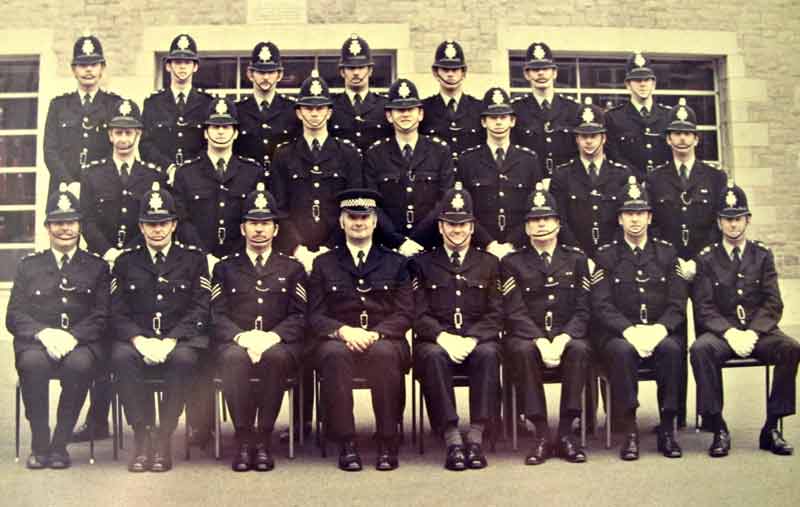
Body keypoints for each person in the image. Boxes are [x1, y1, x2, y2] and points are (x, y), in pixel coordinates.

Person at [74, 98, 166, 443]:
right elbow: (86, 219)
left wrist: (131, 254)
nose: (123, 138)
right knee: (102, 335)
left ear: (139, 134)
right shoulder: (92, 173)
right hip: (102, 265)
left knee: (135, 330)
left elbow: (155, 221)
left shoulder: (153, 175)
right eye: (118, 132)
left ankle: (150, 420)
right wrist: (107, 251)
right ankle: (97, 419)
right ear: (109, 135)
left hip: (139, 266)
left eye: (129, 132)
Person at [691, 183, 799, 457]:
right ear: (719, 222)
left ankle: (772, 427)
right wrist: (729, 333)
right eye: (727, 219)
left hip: (756, 333)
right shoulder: (706, 258)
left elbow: (773, 302)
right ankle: (718, 427)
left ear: (748, 220)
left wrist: (753, 332)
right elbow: (704, 306)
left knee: (790, 348)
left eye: (738, 218)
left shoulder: (762, 255)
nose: (733, 225)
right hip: (723, 335)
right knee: (700, 350)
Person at [307, 189, 413, 471]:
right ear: (341, 222)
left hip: (384, 338)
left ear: (375, 221)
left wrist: (375, 334)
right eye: (352, 217)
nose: (358, 223)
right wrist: (343, 332)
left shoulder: (396, 262)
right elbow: (315, 315)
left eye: (364, 217)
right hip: (340, 340)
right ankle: (346, 442)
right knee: (333, 355)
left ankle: (387, 440)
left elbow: (405, 313)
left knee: (383, 353)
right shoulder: (324, 263)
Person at [6, 184, 110, 469]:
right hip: (37, 342)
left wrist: (73, 337)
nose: (65, 229)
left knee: (79, 366)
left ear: (80, 226)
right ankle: (40, 442)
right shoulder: (29, 266)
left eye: (71, 222)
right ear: (47, 227)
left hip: (80, 344)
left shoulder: (97, 267)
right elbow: (14, 315)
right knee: (32, 364)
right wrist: (44, 333)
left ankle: (59, 444)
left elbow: (102, 316)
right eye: (58, 223)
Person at [110, 182, 211, 472]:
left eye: (163, 223)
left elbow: (201, 308)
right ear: (141, 227)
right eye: (151, 224)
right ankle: (142, 435)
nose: (157, 230)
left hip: (178, 340)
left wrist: (171, 340)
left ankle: (164, 436)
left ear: (174, 224)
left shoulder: (193, 259)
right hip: (138, 340)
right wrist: (139, 340)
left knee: (184, 359)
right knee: (121, 357)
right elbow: (116, 311)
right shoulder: (125, 262)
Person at [211, 183, 307, 471]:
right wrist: (242, 338)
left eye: (265, 223)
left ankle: (263, 439)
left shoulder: (292, 268)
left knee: (275, 358)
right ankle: (243, 439)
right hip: (238, 342)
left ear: (276, 229)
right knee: (232, 358)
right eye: (253, 223)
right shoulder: (225, 268)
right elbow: (216, 315)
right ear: (243, 228)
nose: (259, 229)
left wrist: (272, 338)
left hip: (278, 344)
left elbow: (300, 315)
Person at [591, 176, 688, 461]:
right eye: (629, 213)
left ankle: (667, 428)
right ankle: (629, 430)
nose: (635, 219)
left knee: (671, 349)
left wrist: (659, 330)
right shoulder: (605, 256)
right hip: (620, 335)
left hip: (657, 331)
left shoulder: (667, 253)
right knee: (621, 352)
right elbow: (601, 305)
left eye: (640, 213)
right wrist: (629, 331)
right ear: (620, 219)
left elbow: (677, 303)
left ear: (649, 217)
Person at [411, 184, 503, 471]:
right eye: (451, 224)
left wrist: (473, 339)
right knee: (432, 356)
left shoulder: (489, 263)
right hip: (437, 340)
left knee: (489, 354)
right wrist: (443, 337)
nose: (457, 230)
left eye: (463, 224)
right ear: (440, 227)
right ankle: (451, 438)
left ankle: (476, 437)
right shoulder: (421, 264)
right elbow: (416, 313)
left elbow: (497, 313)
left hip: (476, 340)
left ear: (472, 227)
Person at [502, 183, 591, 465]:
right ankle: (540, 433)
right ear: (526, 227)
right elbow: (514, 311)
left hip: (566, 334)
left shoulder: (576, 260)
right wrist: (539, 339)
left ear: (558, 223)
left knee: (579, 349)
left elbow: (583, 309)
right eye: (534, 220)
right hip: (528, 335)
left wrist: (563, 338)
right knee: (522, 351)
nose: (541, 225)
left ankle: (566, 433)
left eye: (547, 218)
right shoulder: (512, 262)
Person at [271, 70, 363, 271]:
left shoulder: (348, 153)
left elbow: (352, 206)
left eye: (320, 108)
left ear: (329, 112)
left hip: (338, 251)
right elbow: (279, 208)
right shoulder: (284, 154)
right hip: (294, 255)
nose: (314, 114)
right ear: (299, 113)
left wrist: (330, 247)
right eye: (308, 108)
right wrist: (297, 249)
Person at [364, 78, 453, 254]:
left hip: (430, 246)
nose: (405, 114)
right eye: (399, 110)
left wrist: (418, 240)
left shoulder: (440, 151)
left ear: (420, 114)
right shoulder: (375, 153)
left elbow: (444, 200)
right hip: (389, 248)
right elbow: (372, 204)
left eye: (410, 109)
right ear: (389, 116)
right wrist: (398, 241)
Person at [173, 97, 266, 261]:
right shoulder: (186, 173)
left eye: (226, 127)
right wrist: (204, 257)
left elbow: (255, 220)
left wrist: (234, 259)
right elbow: (182, 221)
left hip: (240, 261)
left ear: (236, 133)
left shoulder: (253, 172)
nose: (221, 132)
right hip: (197, 261)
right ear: (205, 133)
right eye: (215, 127)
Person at [457, 87, 544, 259]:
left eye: (503, 117)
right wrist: (489, 243)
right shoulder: (468, 160)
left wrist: (512, 243)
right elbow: (464, 210)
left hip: (520, 249)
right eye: (493, 117)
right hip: (480, 249)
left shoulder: (529, 159)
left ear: (512, 121)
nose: (498, 122)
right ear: (484, 122)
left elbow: (536, 208)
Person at [549, 99, 633, 258]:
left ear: (604, 138)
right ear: (577, 139)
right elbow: (560, 221)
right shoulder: (562, 175)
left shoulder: (622, 174)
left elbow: (625, 221)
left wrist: (609, 254)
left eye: (593, 136)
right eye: (584, 136)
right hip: (574, 257)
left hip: (614, 256)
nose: (588, 141)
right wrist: (579, 256)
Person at [43, 35, 120, 200]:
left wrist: (96, 184)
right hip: (64, 192)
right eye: (83, 65)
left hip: (101, 191)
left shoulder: (114, 105)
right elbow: (50, 151)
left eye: (94, 64)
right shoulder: (58, 106)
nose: (88, 70)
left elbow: (118, 150)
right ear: (73, 69)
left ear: (102, 68)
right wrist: (69, 183)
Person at [140, 33, 213, 185]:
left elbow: (212, 144)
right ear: (168, 66)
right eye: (178, 62)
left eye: (187, 62)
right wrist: (169, 167)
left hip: (198, 179)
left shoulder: (207, 103)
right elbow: (145, 145)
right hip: (162, 179)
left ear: (195, 67)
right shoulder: (153, 103)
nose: (182, 66)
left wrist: (190, 170)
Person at [511, 42, 579, 178]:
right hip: (529, 180)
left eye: (546, 69)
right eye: (535, 69)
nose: (541, 73)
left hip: (566, 181)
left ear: (555, 73)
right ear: (526, 74)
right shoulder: (516, 109)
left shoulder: (573, 108)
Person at [234, 41, 300, 182]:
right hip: (247, 182)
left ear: (279, 75)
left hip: (283, 181)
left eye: (270, 72)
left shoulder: (293, 109)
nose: (265, 77)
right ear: (250, 74)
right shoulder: (237, 109)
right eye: (260, 72)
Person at [605, 52, 672, 179]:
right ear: (628, 85)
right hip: (628, 184)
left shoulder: (668, 116)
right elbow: (614, 156)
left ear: (654, 84)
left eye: (647, 80)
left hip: (664, 183)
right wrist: (639, 180)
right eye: (637, 80)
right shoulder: (613, 118)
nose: (642, 84)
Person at [421, 40, 483, 161]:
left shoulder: (479, 108)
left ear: (463, 73)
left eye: (455, 70)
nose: (450, 74)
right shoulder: (424, 109)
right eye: (445, 69)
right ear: (435, 72)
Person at [329, 34, 390, 152]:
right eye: (351, 68)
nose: (356, 73)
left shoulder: (385, 105)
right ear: (342, 72)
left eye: (361, 67)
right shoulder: (330, 106)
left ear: (370, 70)